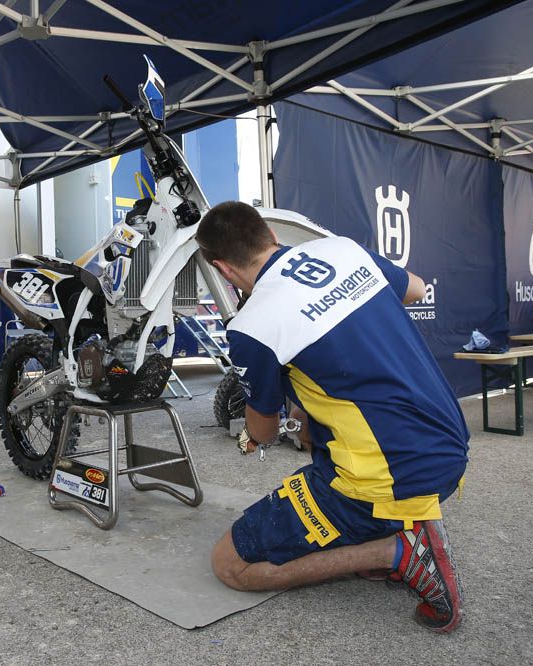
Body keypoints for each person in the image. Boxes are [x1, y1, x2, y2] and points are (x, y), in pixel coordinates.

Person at [198, 201, 469, 633]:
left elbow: (263, 432)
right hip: (449, 446)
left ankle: (400, 551)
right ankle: (384, 527)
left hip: (391, 475)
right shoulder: (343, 251)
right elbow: (414, 288)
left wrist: (252, 434)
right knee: (309, 417)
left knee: (229, 564)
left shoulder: (252, 326)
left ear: (223, 270)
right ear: (270, 233)